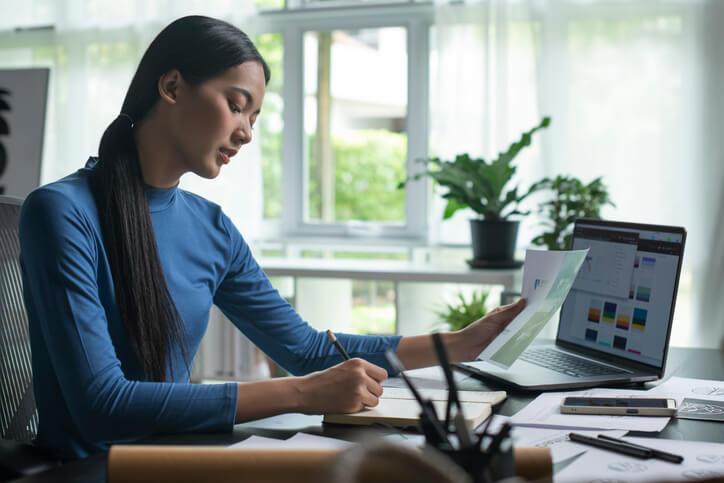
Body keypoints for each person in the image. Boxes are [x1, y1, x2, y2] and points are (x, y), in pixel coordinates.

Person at [18, 15, 526, 460]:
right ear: (171, 87)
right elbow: (101, 406)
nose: (245, 132)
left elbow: (306, 350)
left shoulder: (211, 227)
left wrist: (457, 345)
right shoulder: (62, 212)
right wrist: (302, 394)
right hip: (90, 470)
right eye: (236, 105)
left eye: (254, 117)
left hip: (179, 458)